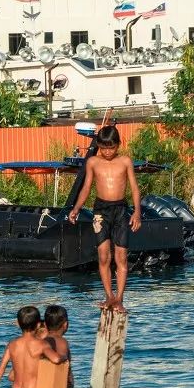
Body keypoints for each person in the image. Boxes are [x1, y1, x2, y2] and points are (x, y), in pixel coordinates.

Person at [67, 125, 142, 310]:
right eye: (104, 147)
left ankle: (120, 299)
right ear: (99, 145)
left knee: (121, 257)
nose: (108, 152)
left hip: (121, 210)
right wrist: (76, 208)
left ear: (118, 145)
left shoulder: (125, 161)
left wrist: (137, 212)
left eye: (112, 147)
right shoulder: (93, 162)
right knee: (103, 256)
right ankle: (109, 296)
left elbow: (134, 188)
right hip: (100, 211)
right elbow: (86, 187)